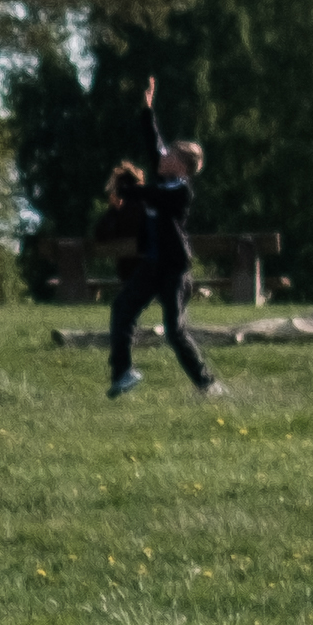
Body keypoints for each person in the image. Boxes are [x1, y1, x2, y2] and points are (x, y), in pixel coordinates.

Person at [100, 94, 219, 403]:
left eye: (170, 155)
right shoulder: (162, 176)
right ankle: (122, 374)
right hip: (152, 264)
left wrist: (129, 190)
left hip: (174, 267)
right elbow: (153, 141)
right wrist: (147, 108)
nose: (163, 155)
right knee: (122, 310)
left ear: (181, 166)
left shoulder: (180, 193)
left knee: (174, 330)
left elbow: (152, 197)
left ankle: (207, 384)